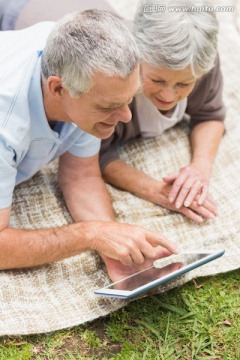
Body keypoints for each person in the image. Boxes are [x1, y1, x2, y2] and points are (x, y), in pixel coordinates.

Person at [0, 9, 178, 279]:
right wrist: (90, 234)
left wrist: (115, 245)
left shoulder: (78, 64)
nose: (126, 116)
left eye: (129, 99)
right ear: (58, 89)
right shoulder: (6, 125)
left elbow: (80, 175)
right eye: (110, 106)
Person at [100, 0, 225, 223]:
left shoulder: (201, 62)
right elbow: (91, 156)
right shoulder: (109, 76)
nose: (168, 96)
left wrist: (199, 169)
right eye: (157, 79)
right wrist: (157, 190)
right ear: (136, 56)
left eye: (183, 84)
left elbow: (210, 115)